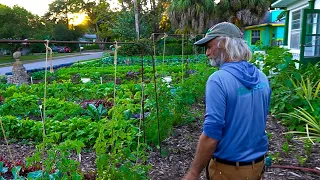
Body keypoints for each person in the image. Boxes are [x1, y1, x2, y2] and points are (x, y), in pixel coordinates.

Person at [183, 22, 271, 180]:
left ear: (224, 43)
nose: (207, 53)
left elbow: (211, 136)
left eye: (209, 46)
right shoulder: (262, 77)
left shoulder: (218, 80)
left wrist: (193, 172)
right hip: (257, 167)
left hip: (228, 170)